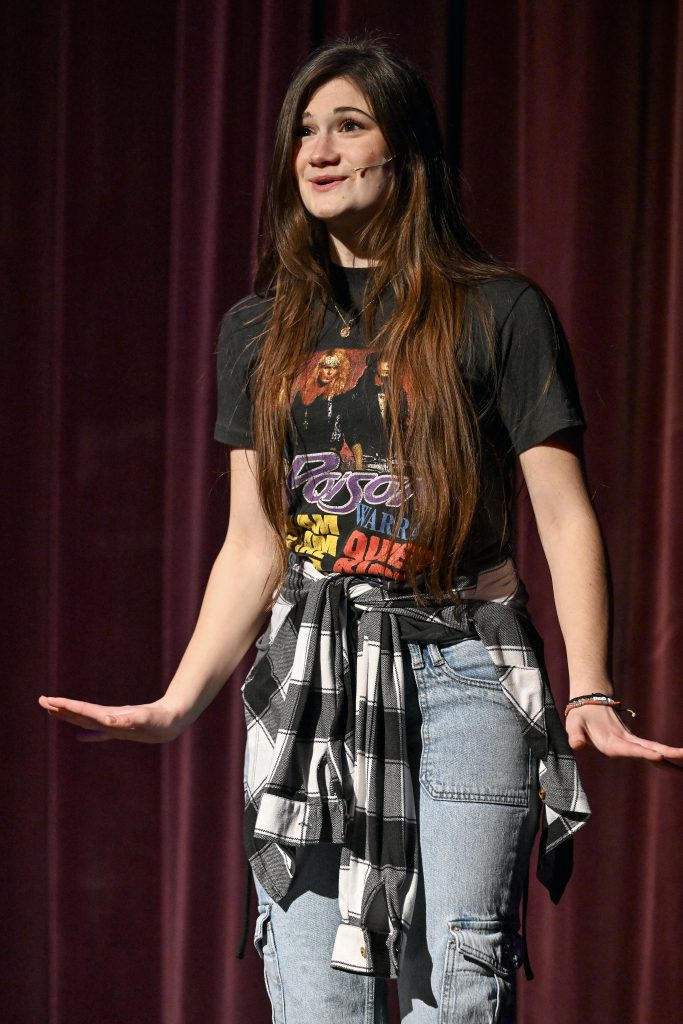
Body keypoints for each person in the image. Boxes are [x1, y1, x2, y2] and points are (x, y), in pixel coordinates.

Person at [39, 37, 683, 1024]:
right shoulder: (257, 331)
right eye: (304, 129)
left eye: (348, 124)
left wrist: (589, 687)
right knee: (314, 994)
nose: (318, 149)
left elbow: (562, 512)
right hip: (314, 678)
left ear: (406, 153)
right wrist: (176, 703)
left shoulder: (497, 311)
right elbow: (253, 546)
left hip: (466, 668)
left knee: (456, 987)